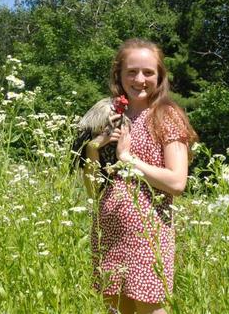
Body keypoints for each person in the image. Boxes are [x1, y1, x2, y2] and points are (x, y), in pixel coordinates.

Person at [83, 39, 197, 314]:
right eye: (131, 72)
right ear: (119, 76)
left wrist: (128, 159)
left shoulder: (166, 116)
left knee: (150, 310)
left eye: (148, 72)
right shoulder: (110, 117)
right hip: (108, 231)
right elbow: (93, 190)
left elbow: (177, 182)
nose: (140, 79)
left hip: (149, 235)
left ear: (160, 76)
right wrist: (92, 148)